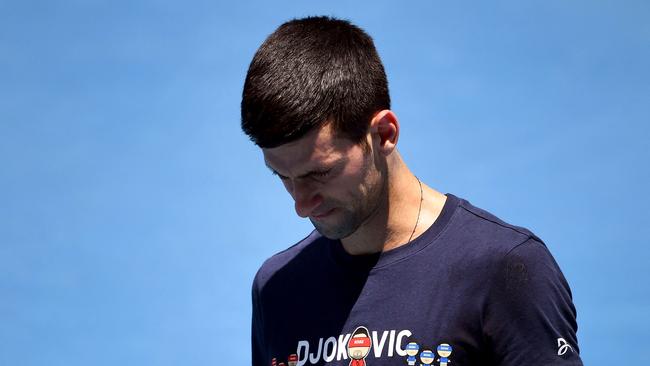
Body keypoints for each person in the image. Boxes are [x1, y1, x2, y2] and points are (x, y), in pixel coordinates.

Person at [241, 16, 583, 366]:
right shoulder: (277, 289)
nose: (301, 204)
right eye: (283, 176)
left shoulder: (505, 267)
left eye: (321, 172)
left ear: (384, 134)